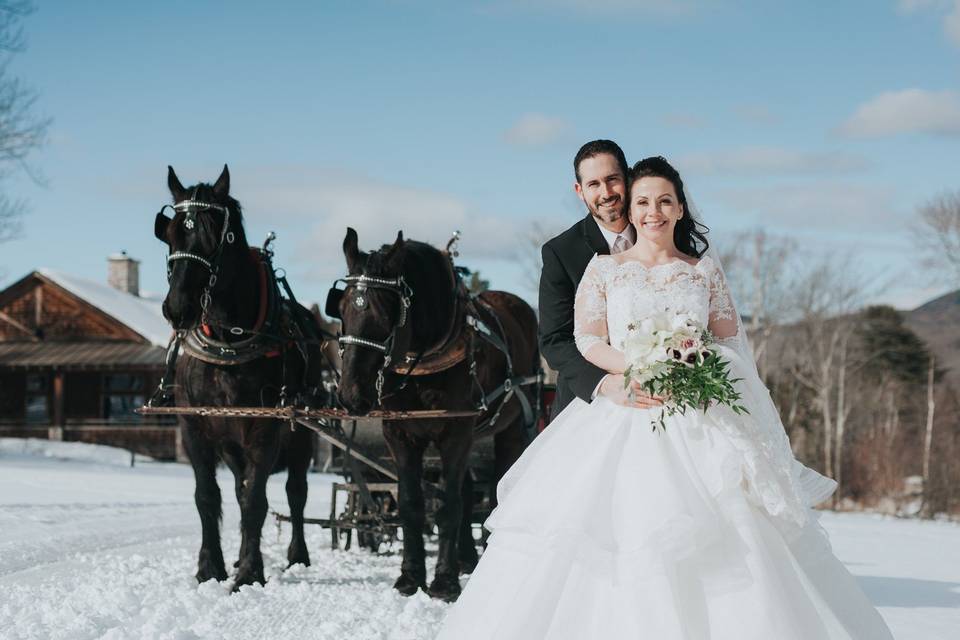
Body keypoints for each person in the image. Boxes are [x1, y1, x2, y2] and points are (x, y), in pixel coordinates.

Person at [435, 156, 894, 639]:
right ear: (630, 211)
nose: (654, 211)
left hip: (702, 416)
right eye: (644, 202)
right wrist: (638, 369)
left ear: (679, 209)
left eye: (664, 201)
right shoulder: (604, 269)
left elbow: (731, 342)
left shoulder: (704, 271)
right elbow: (587, 340)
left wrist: (697, 365)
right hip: (627, 409)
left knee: (736, 533)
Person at [538, 140, 664, 420]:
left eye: (612, 180)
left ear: (628, 179)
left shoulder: (663, 232)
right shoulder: (560, 252)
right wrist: (606, 384)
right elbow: (554, 340)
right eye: (594, 184)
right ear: (579, 191)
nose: (605, 193)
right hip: (589, 404)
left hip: (668, 396)